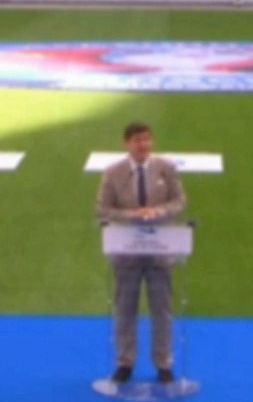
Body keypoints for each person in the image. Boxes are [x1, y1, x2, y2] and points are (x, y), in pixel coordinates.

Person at [96, 122, 187, 385]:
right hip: (127, 251)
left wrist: (157, 212)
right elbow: (103, 209)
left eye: (147, 139)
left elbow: (180, 201)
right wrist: (132, 215)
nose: (143, 145)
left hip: (160, 250)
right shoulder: (113, 172)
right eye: (137, 140)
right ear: (126, 143)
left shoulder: (166, 168)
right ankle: (125, 362)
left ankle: (164, 363)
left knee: (162, 309)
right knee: (125, 309)